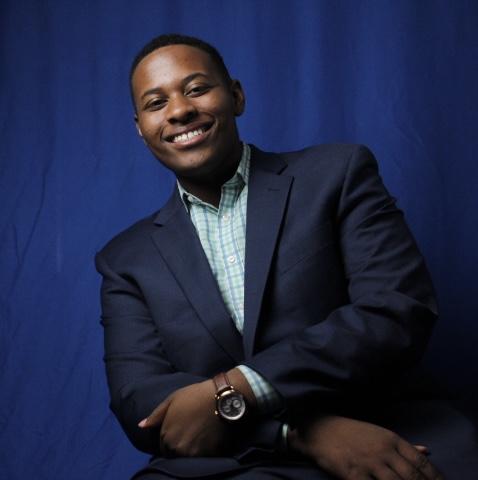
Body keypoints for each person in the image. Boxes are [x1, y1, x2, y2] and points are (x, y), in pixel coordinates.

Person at [95, 34, 478, 479]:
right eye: (156, 102)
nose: (180, 110)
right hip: (230, 461)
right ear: (141, 128)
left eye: (197, 88)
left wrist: (240, 387)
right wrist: (298, 433)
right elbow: (139, 402)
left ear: (236, 96)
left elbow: (396, 310)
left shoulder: (337, 174)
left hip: (384, 434)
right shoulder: (126, 259)